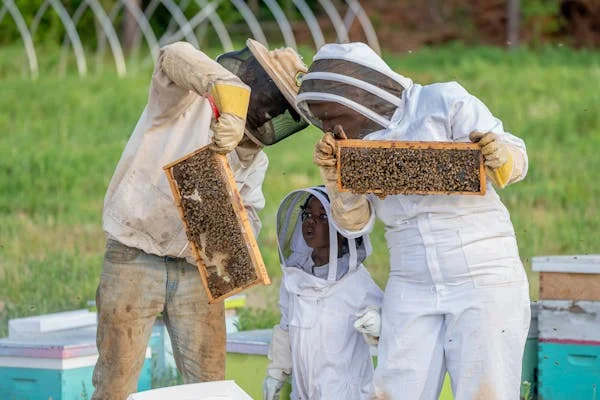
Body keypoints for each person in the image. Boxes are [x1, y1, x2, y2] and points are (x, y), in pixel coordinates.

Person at [295, 42, 531, 400]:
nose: (328, 127)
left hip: (481, 270)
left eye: (330, 115)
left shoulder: (442, 102)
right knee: (395, 390)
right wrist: (336, 180)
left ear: (359, 94)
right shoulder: (354, 148)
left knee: (487, 391)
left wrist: (500, 155)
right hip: (411, 279)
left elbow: (517, 158)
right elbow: (355, 226)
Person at [93, 39, 308, 399]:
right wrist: (231, 102)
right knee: (115, 385)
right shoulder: (182, 103)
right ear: (250, 77)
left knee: (210, 387)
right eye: (270, 98)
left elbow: (249, 221)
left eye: (277, 108)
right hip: (134, 255)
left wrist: (231, 229)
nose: (269, 111)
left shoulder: (255, 160)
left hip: (198, 275)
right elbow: (172, 54)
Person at [263, 186, 384, 400]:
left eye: (322, 217)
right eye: (308, 215)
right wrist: (276, 372)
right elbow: (286, 327)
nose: (311, 222)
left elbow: (391, 330)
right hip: (303, 393)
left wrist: (378, 325)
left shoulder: (355, 281)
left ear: (341, 228)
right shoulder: (295, 277)